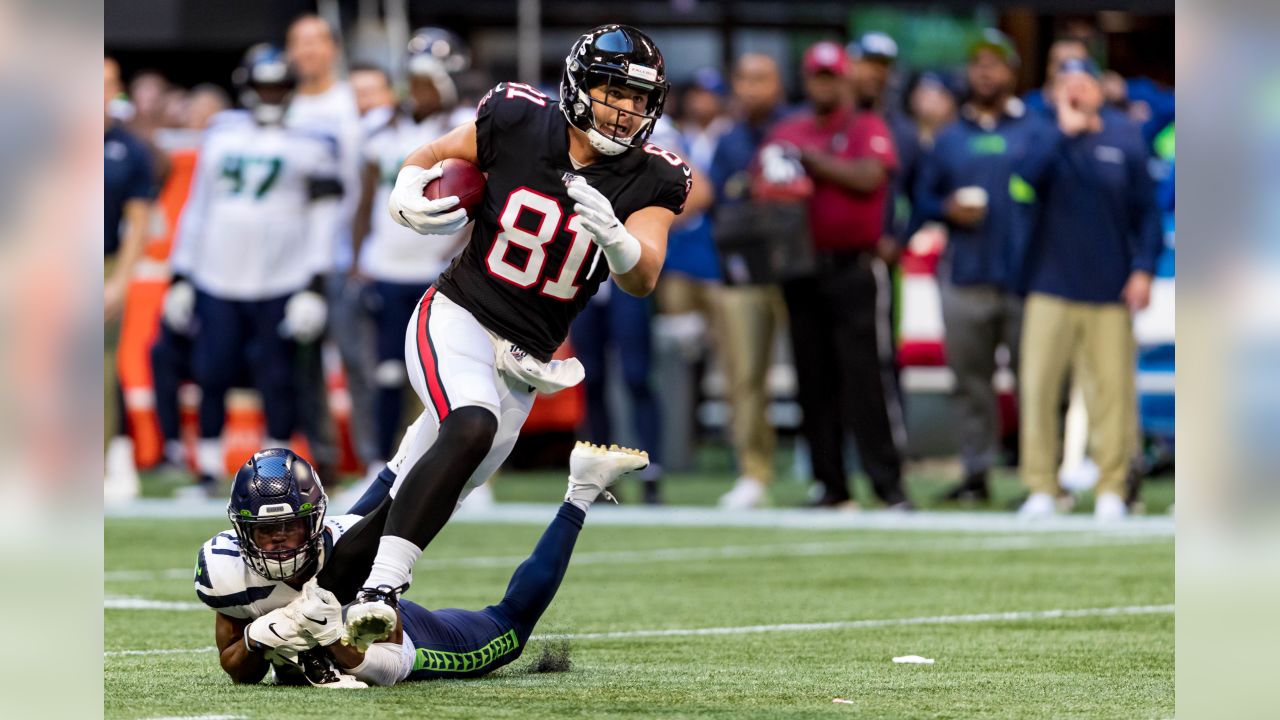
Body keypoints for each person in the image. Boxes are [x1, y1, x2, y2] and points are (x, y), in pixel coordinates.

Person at [343, 24, 689, 638]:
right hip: (459, 315)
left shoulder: (655, 176)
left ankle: (310, 588)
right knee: (469, 423)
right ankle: (383, 589)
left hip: (526, 361)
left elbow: (644, 277)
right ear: (581, 87)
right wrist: (405, 188)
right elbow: (428, 157)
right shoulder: (517, 117)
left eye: (640, 99)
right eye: (615, 92)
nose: (627, 110)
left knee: (426, 485)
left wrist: (618, 240)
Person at [196, 443, 648, 687]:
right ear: (242, 531)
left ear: (313, 522)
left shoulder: (351, 552)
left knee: (509, 631)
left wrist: (329, 636)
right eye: (264, 531)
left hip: (404, 635)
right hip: (335, 624)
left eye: (290, 529)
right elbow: (238, 670)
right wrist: (259, 637)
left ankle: (581, 489)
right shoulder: (227, 569)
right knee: (384, 497)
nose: (277, 543)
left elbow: (389, 664)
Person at [162, 44, 343, 493]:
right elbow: (199, 208)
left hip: (281, 278)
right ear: (247, 88)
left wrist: (315, 283)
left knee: (278, 377)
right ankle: (205, 468)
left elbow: (325, 219)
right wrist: (181, 274)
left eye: (280, 86)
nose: (271, 95)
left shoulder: (314, 140)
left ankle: (275, 475)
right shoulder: (222, 133)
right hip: (217, 275)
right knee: (212, 372)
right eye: (264, 86)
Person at [760, 41, 909, 510]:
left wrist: (812, 162)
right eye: (816, 76)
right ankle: (831, 485)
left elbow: (870, 177)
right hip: (801, 268)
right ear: (807, 80)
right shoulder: (790, 127)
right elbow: (762, 179)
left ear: (844, 79)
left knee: (865, 380)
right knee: (813, 380)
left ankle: (889, 486)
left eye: (831, 76)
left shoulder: (866, 125)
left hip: (852, 268)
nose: (824, 84)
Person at [1014, 58, 1162, 522]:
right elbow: (1021, 185)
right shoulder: (1041, 135)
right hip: (1050, 284)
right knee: (1037, 389)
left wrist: (1142, 270)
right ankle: (1041, 485)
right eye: (1066, 84)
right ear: (1054, 92)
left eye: (1083, 83)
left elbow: (1148, 214)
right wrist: (1064, 131)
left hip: (1109, 287)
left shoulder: (1125, 137)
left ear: (1099, 90)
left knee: (1112, 394)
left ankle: (1112, 487)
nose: (1076, 91)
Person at [913, 30, 1045, 503]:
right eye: (977, 64)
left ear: (1011, 71)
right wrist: (947, 208)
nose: (985, 72)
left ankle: (1039, 479)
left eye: (994, 63)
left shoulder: (1036, 130)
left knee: (1037, 381)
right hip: (966, 274)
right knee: (971, 383)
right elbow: (922, 200)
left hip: (1025, 276)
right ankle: (977, 474)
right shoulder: (949, 138)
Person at [352, 29, 475, 475]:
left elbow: (485, 205)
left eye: (429, 81)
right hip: (386, 265)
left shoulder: (469, 128)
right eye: (414, 80)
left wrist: (459, 256)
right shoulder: (382, 128)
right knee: (386, 371)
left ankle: (455, 474)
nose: (418, 91)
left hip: (439, 270)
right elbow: (366, 199)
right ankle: (378, 468)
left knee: (445, 375)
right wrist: (356, 259)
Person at [285, 14, 377, 481]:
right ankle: (321, 462)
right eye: (299, 42)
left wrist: (359, 248)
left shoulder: (349, 104)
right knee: (301, 368)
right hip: (287, 259)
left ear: (333, 49)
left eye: (316, 41)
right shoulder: (284, 104)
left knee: (358, 362)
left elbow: (362, 183)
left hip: (341, 253)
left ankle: (371, 460)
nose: (308, 51)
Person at [707, 53, 790, 510]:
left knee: (819, 372)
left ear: (778, 83)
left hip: (797, 267)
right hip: (742, 269)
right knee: (744, 376)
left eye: (762, 78)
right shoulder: (728, 139)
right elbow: (720, 197)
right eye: (745, 78)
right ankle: (754, 471)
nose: (753, 87)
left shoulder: (795, 128)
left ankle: (826, 470)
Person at [104, 57, 156, 502]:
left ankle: (111, 460)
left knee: (101, 368)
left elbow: (138, 221)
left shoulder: (128, 148)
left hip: (102, 260)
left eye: (109, 83)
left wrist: (120, 278)